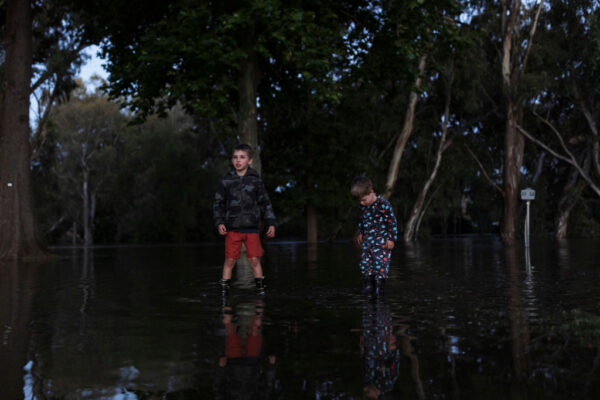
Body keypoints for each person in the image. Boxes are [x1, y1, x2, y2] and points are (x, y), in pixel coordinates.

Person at [214, 144, 277, 296]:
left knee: (254, 260)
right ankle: (224, 292)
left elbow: (265, 203)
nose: (238, 160)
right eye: (235, 157)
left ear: (249, 160)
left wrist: (271, 223)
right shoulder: (226, 181)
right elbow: (218, 203)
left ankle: (261, 290)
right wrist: (219, 222)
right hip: (232, 228)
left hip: (251, 228)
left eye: (242, 157)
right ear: (232, 160)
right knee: (230, 260)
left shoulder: (256, 181)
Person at [351, 176, 398, 297]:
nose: (361, 203)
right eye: (360, 201)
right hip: (368, 242)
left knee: (380, 265)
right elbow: (361, 220)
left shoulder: (384, 205)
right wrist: (360, 232)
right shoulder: (363, 207)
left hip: (382, 243)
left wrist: (391, 238)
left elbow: (392, 222)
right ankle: (368, 286)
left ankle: (379, 288)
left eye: (364, 200)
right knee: (366, 263)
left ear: (371, 192)